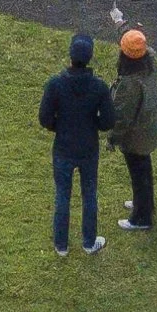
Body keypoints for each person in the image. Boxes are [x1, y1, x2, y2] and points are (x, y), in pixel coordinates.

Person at [39, 32, 116, 256]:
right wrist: (94, 123)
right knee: (89, 194)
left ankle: (61, 245)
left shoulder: (55, 84)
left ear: (70, 56)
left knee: (62, 194)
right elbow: (108, 122)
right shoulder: (99, 87)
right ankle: (89, 242)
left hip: (63, 148)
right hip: (88, 149)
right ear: (90, 57)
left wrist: (58, 127)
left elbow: (44, 118)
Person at [109, 26, 157, 231]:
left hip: (139, 134)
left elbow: (122, 117)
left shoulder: (129, 84)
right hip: (153, 123)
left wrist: (112, 138)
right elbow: (138, 42)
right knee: (144, 167)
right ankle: (144, 203)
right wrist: (122, 25)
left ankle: (142, 217)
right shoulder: (151, 58)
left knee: (138, 170)